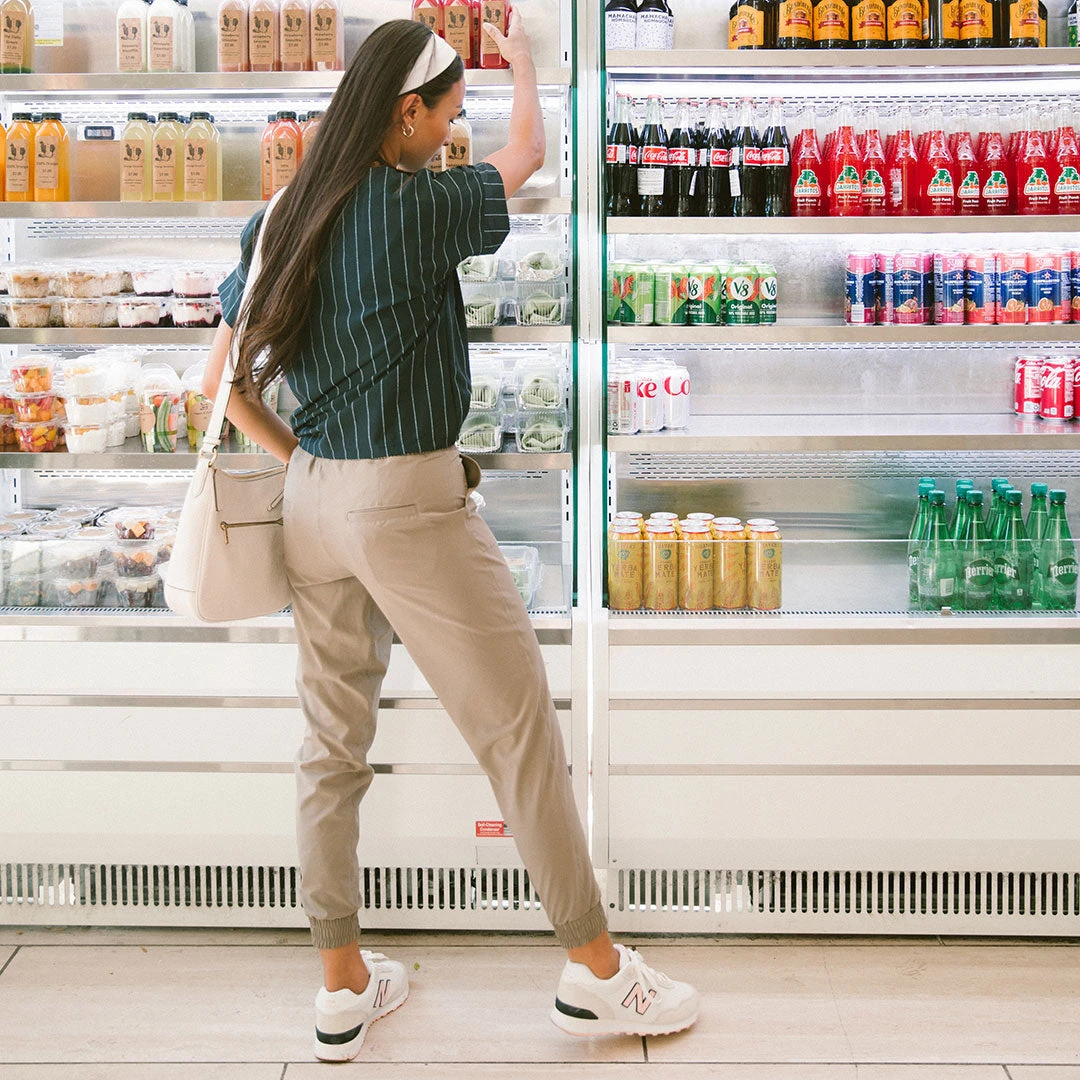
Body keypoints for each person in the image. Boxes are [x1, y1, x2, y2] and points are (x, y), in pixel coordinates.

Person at [204, 15, 698, 1063]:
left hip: (312, 503)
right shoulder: (412, 206)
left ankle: (341, 984)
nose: (453, 133)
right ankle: (598, 972)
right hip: (407, 504)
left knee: (331, 748)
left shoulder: (282, 214)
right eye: (445, 114)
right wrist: (527, 67)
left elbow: (222, 382)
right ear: (403, 114)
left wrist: (303, 464)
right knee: (519, 731)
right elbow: (524, 161)